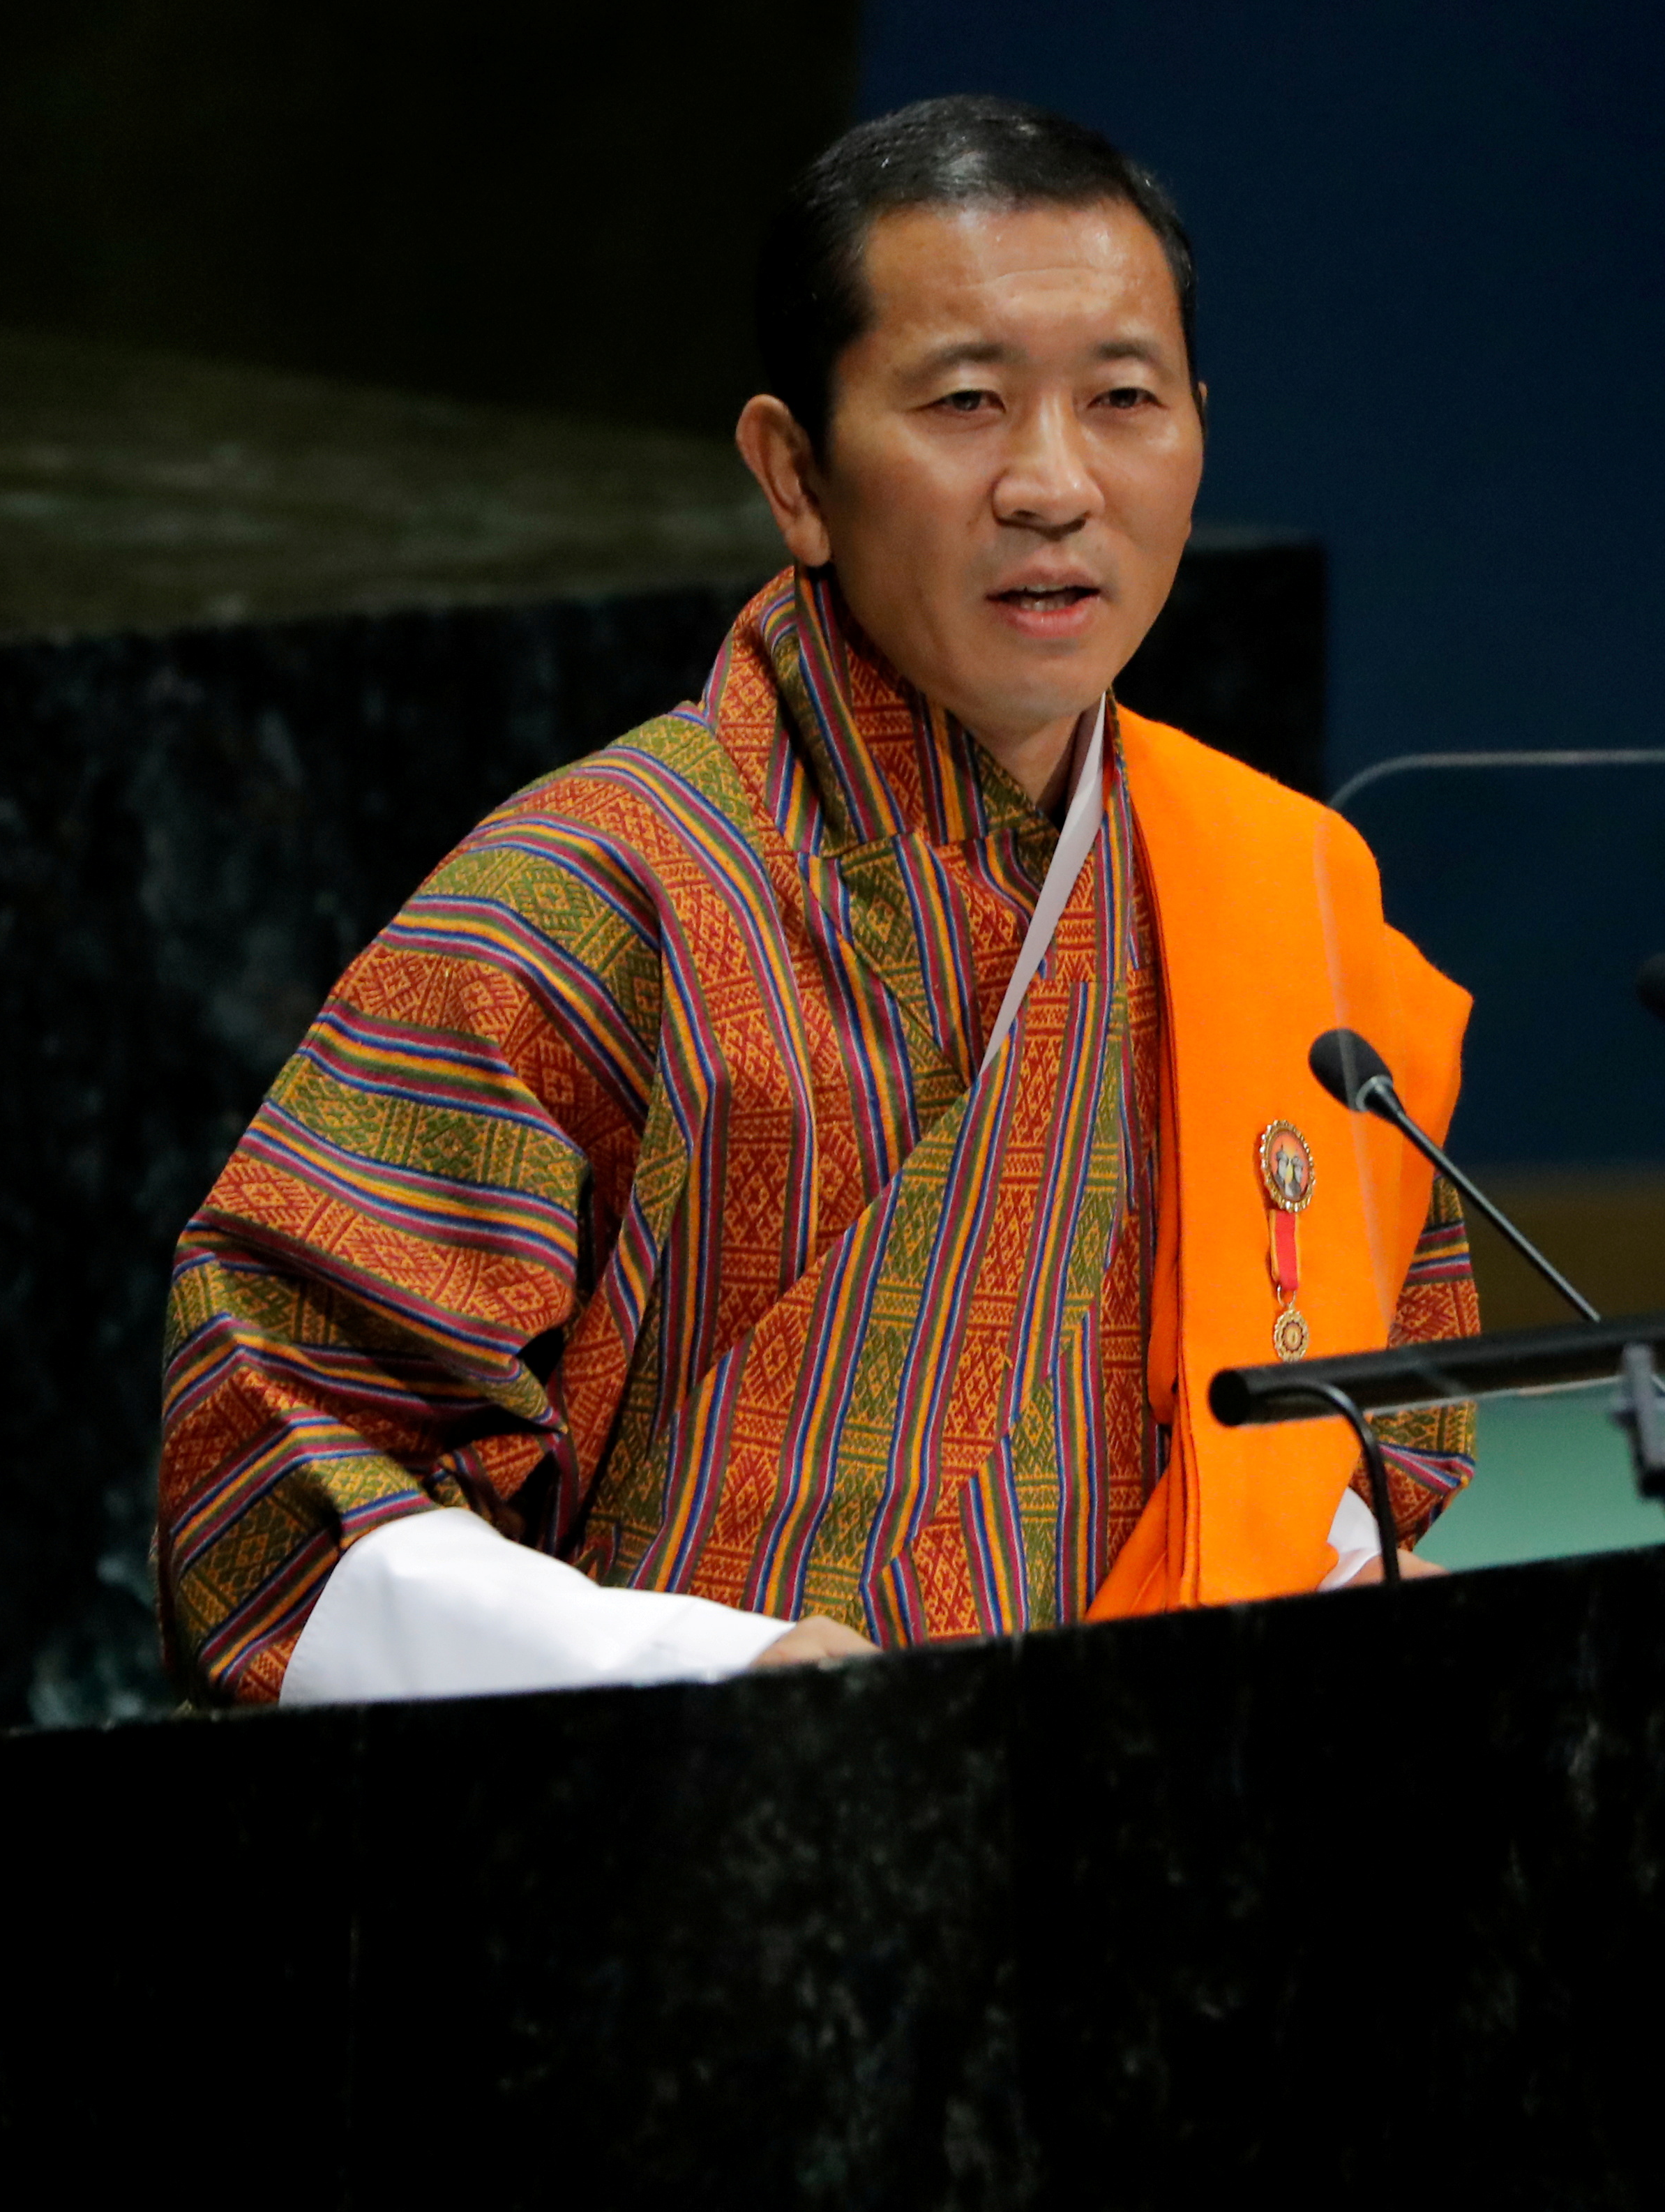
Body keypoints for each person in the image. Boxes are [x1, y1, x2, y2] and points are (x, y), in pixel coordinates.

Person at [157, 96, 1480, 1705]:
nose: (1054, 483)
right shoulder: (586, 896)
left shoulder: (1280, 892)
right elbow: (276, 1490)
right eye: (969, 402)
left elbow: (1374, 1434)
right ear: (794, 471)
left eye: (1121, 398)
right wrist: (727, 1674)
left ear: (1196, 432)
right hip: (682, 1860)